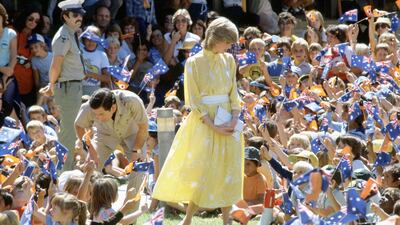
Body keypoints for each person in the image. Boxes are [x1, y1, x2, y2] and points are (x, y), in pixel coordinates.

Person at [153, 17, 243, 225]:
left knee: (228, 168)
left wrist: (234, 119)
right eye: (227, 42)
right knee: (202, 170)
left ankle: (227, 219)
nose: (229, 47)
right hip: (204, 123)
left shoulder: (229, 60)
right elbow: (193, 100)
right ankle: (188, 217)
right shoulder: (194, 62)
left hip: (227, 119)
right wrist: (214, 126)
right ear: (216, 38)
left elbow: (233, 93)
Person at [74, 88, 148, 221]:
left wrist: (136, 150)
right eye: (95, 114)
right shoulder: (88, 107)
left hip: (133, 134)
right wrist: (91, 150)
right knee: (91, 168)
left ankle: (128, 218)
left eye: (101, 114)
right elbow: (79, 126)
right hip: (104, 135)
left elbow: (143, 126)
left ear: (113, 107)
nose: (97, 117)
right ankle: (89, 214)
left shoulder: (132, 101)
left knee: (139, 169)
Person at [39, 0, 86, 171]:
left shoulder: (71, 32)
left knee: (72, 130)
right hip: (67, 87)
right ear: (65, 16)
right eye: (74, 15)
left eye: (80, 14)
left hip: (73, 86)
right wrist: (51, 84)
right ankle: (64, 171)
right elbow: (56, 64)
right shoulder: (64, 35)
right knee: (68, 132)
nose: (79, 17)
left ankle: (68, 167)